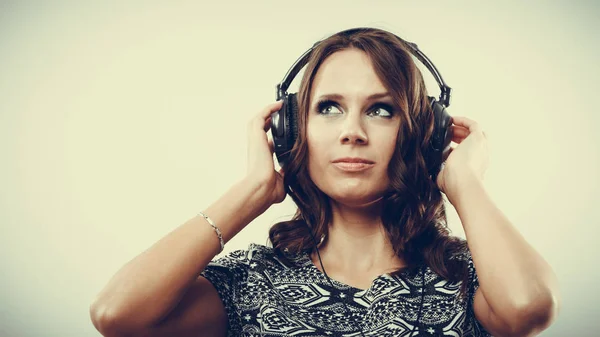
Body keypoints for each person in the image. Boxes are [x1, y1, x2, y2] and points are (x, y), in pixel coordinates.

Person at [89, 27, 560, 337]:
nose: (352, 132)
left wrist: (462, 181)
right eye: (329, 108)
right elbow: (116, 315)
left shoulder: (467, 277)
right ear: (294, 130)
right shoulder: (249, 282)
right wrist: (254, 191)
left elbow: (529, 308)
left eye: (381, 109)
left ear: (422, 133)